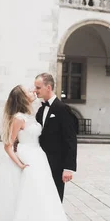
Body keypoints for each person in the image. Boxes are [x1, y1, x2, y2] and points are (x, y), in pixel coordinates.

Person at [0, 85, 79, 221]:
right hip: (29, 159)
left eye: (34, 88)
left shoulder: (32, 115)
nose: (33, 91)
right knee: (30, 204)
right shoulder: (18, 118)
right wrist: (20, 164)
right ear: (22, 97)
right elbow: (8, 145)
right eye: (29, 91)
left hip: (40, 159)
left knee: (43, 203)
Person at [34, 73, 78, 202]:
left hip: (57, 165)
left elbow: (70, 139)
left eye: (38, 87)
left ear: (48, 87)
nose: (35, 91)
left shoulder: (63, 109)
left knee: (55, 199)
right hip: (41, 162)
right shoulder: (41, 110)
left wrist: (68, 168)